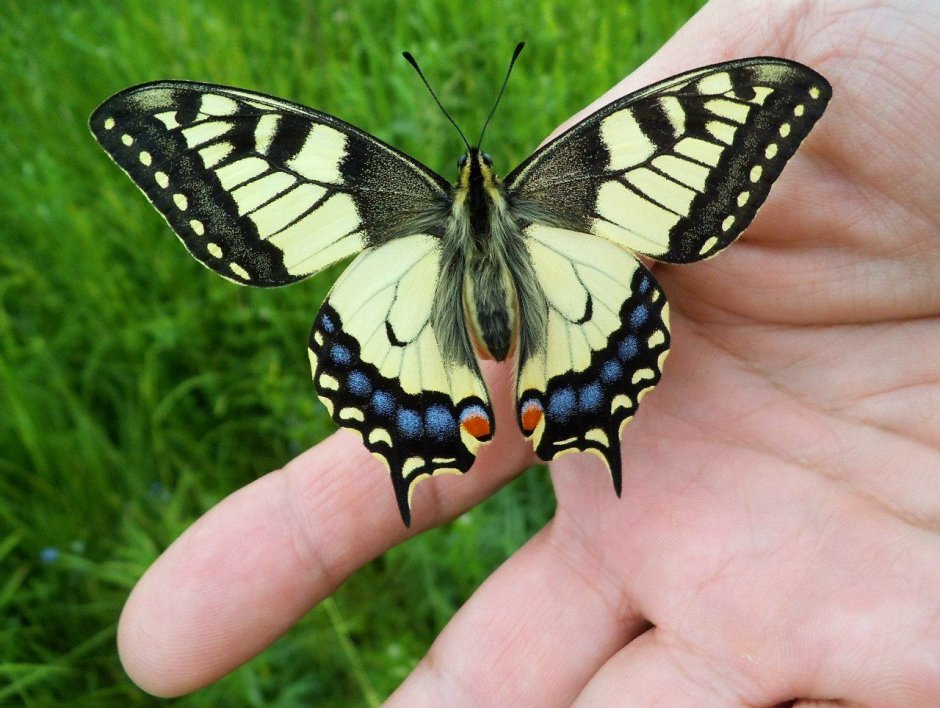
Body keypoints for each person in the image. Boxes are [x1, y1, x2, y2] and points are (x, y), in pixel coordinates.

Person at [117, 0, 940, 702]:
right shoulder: (579, 173)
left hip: (416, 312)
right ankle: (517, 408)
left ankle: (470, 412)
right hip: (567, 291)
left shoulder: (399, 190)